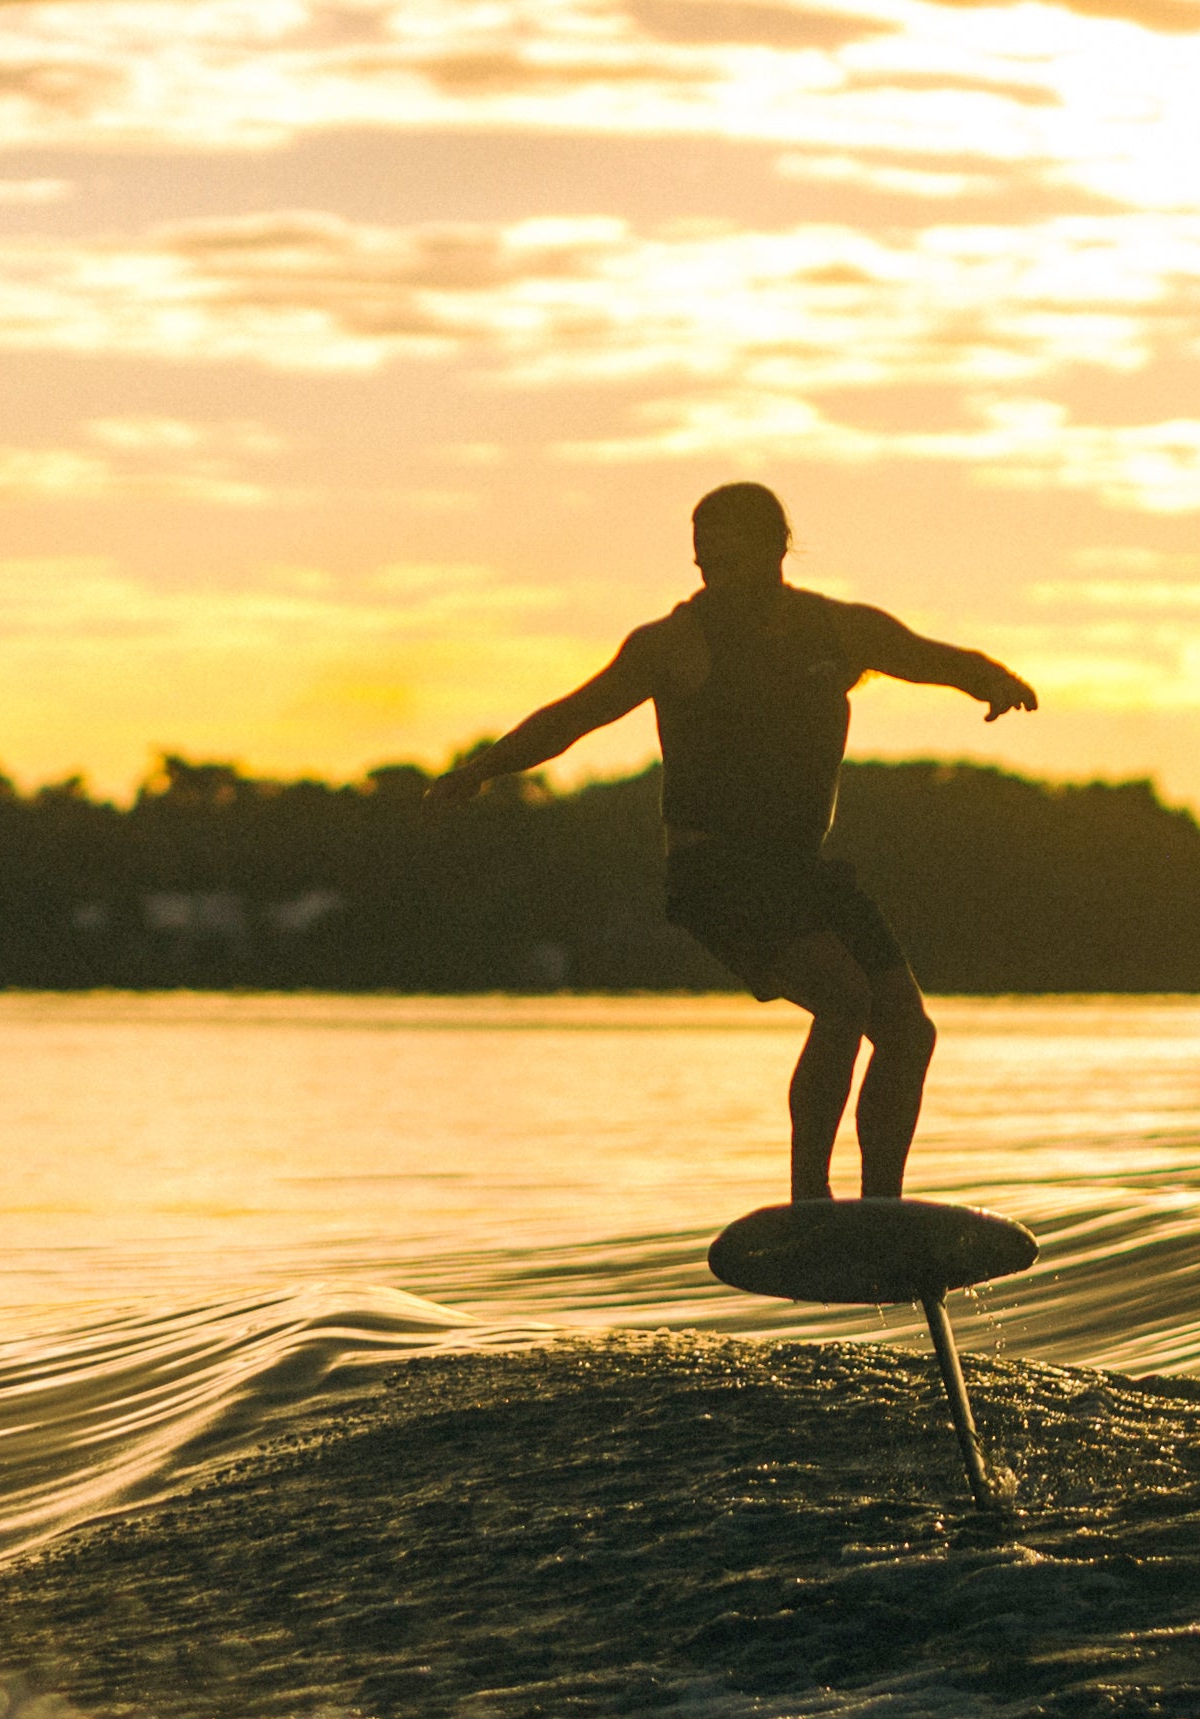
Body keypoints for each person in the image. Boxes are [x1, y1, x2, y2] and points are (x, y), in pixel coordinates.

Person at [425, 482, 1037, 1204]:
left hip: (802, 872)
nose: (713, 574)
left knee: (909, 1033)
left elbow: (923, 655)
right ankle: (811, 1201)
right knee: (843, 998)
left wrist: (989, 679)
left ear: (779, 546)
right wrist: (483, 768)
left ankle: (883, 1213)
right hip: (715, 872)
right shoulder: (673, 644)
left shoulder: (836, 629)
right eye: (703, 562)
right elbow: (573, 716)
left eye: (730, 555)